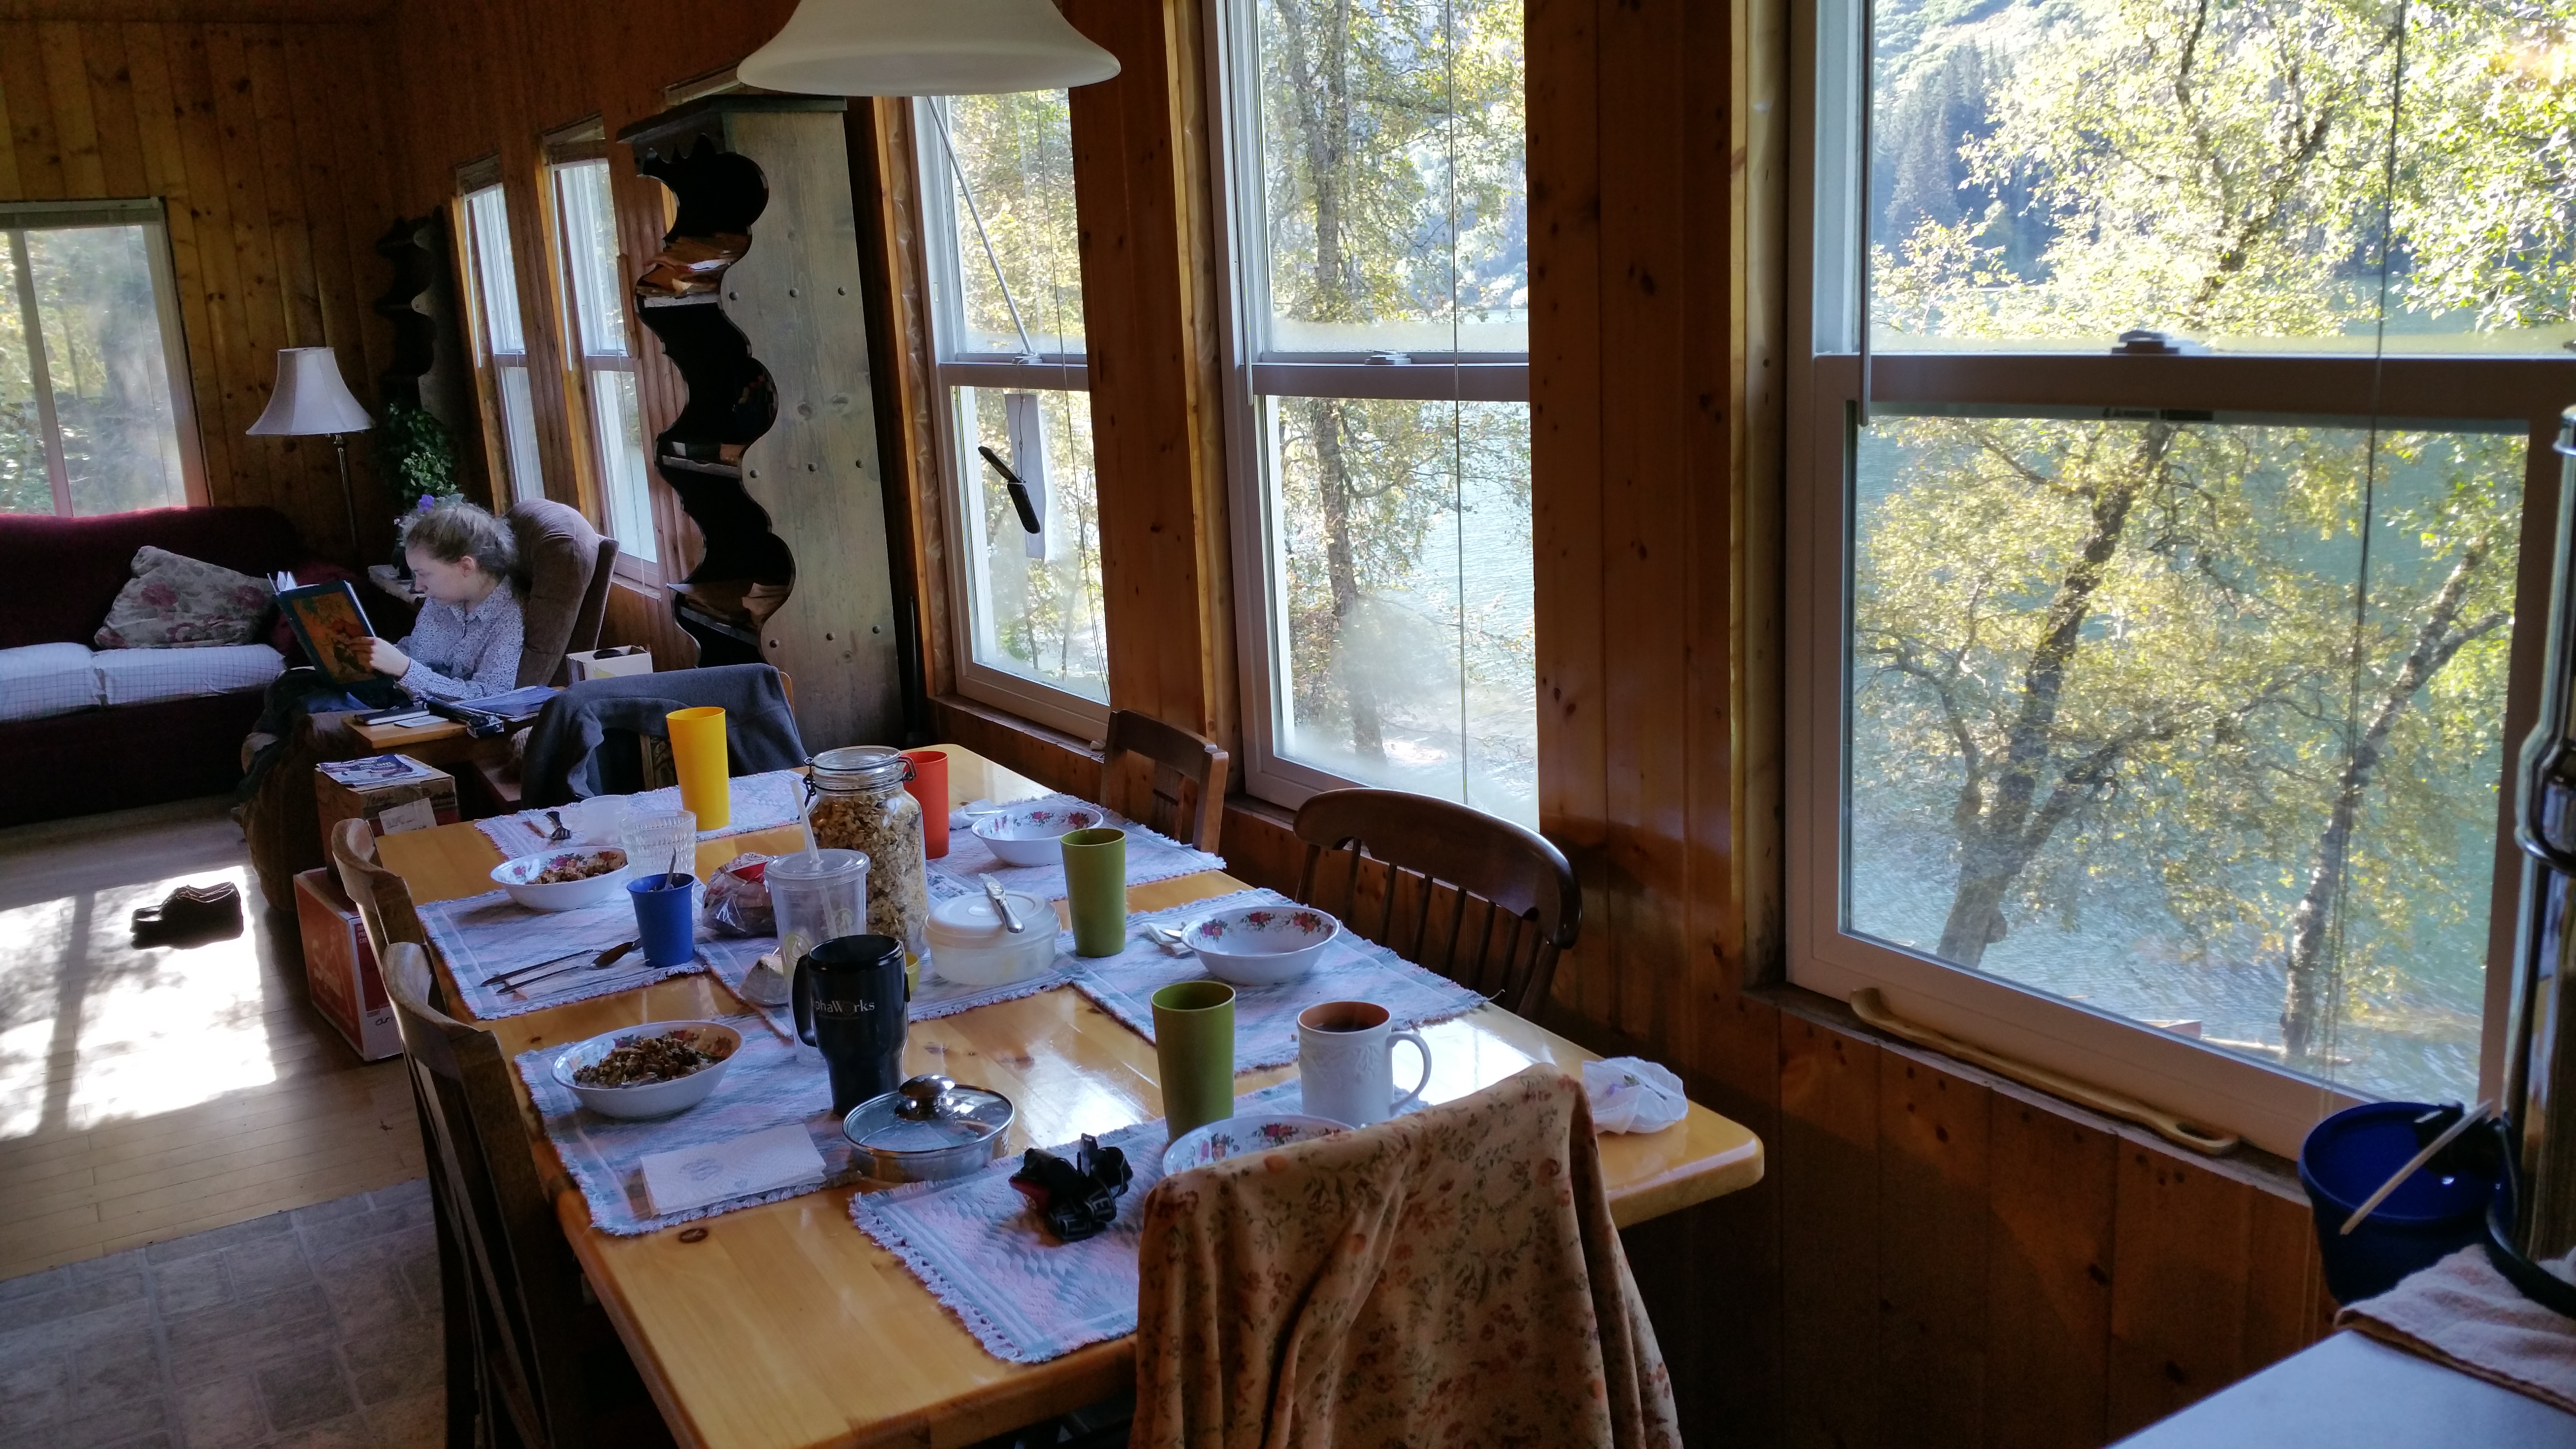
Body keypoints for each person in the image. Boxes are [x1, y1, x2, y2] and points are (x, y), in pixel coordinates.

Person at [240, 500, 525, 788]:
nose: (418, 586)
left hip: (430, 712)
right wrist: (365, 653)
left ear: (466, 566)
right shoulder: (444, 599)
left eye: (424, 574)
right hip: (396, 689)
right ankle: (269, 772)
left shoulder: (508, 616)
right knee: (289, 683)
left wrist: (405, 669)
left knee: (315, 706)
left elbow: (489, 698)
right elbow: (416, 648)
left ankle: (262, 780)